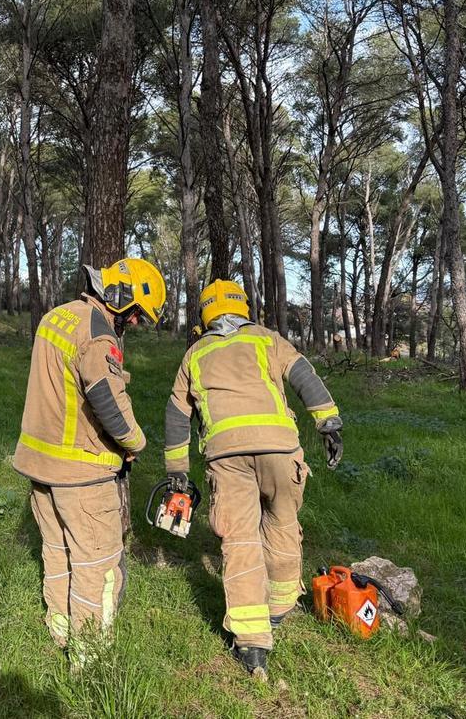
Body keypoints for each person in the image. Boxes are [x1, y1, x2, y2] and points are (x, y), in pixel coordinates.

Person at [163, 279, 343, 678]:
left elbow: (177, 414)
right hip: (280, 450)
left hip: (226, 458)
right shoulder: (266, 339)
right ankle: (278, 610)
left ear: (204, 315)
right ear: (244, 308)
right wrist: (328, 421)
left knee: (240, 540)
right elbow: (303, 376)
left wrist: (177, 472)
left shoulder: (195, 353)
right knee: (282, 524)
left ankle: (252, 643)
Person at [13, 257, 166, 664]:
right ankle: (90, 658)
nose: (134, 323)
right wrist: (136, 442)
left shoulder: (56, 317)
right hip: (82, 473)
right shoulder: (98, 333)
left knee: (57, 549)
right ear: (120, 298)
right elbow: (106, 398)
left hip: (39, 465)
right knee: (97, 562)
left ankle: (59, 629)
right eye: (135, 314)